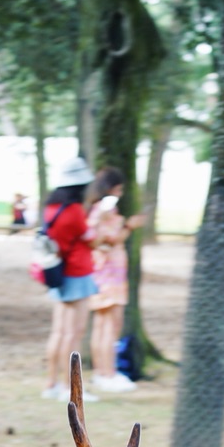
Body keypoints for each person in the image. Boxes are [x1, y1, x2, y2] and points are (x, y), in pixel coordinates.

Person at [40, 158, 98, 401]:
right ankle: (68, 389)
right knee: (74, 334)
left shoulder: (51, 208)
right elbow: (91, 239)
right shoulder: (74, 211)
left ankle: (51, 383)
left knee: (59, 332)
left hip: (58, 272)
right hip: (76, 273)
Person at [85, 167, 146, 394]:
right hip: (110, 273)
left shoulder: (96, 210)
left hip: (103, 271)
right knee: (112, 324)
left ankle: (103, 372)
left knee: (103, 325)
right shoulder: (105, 211)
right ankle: (107, 373)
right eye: (118, 189)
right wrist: (130, 226)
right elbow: (108, 240)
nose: (120, 193)